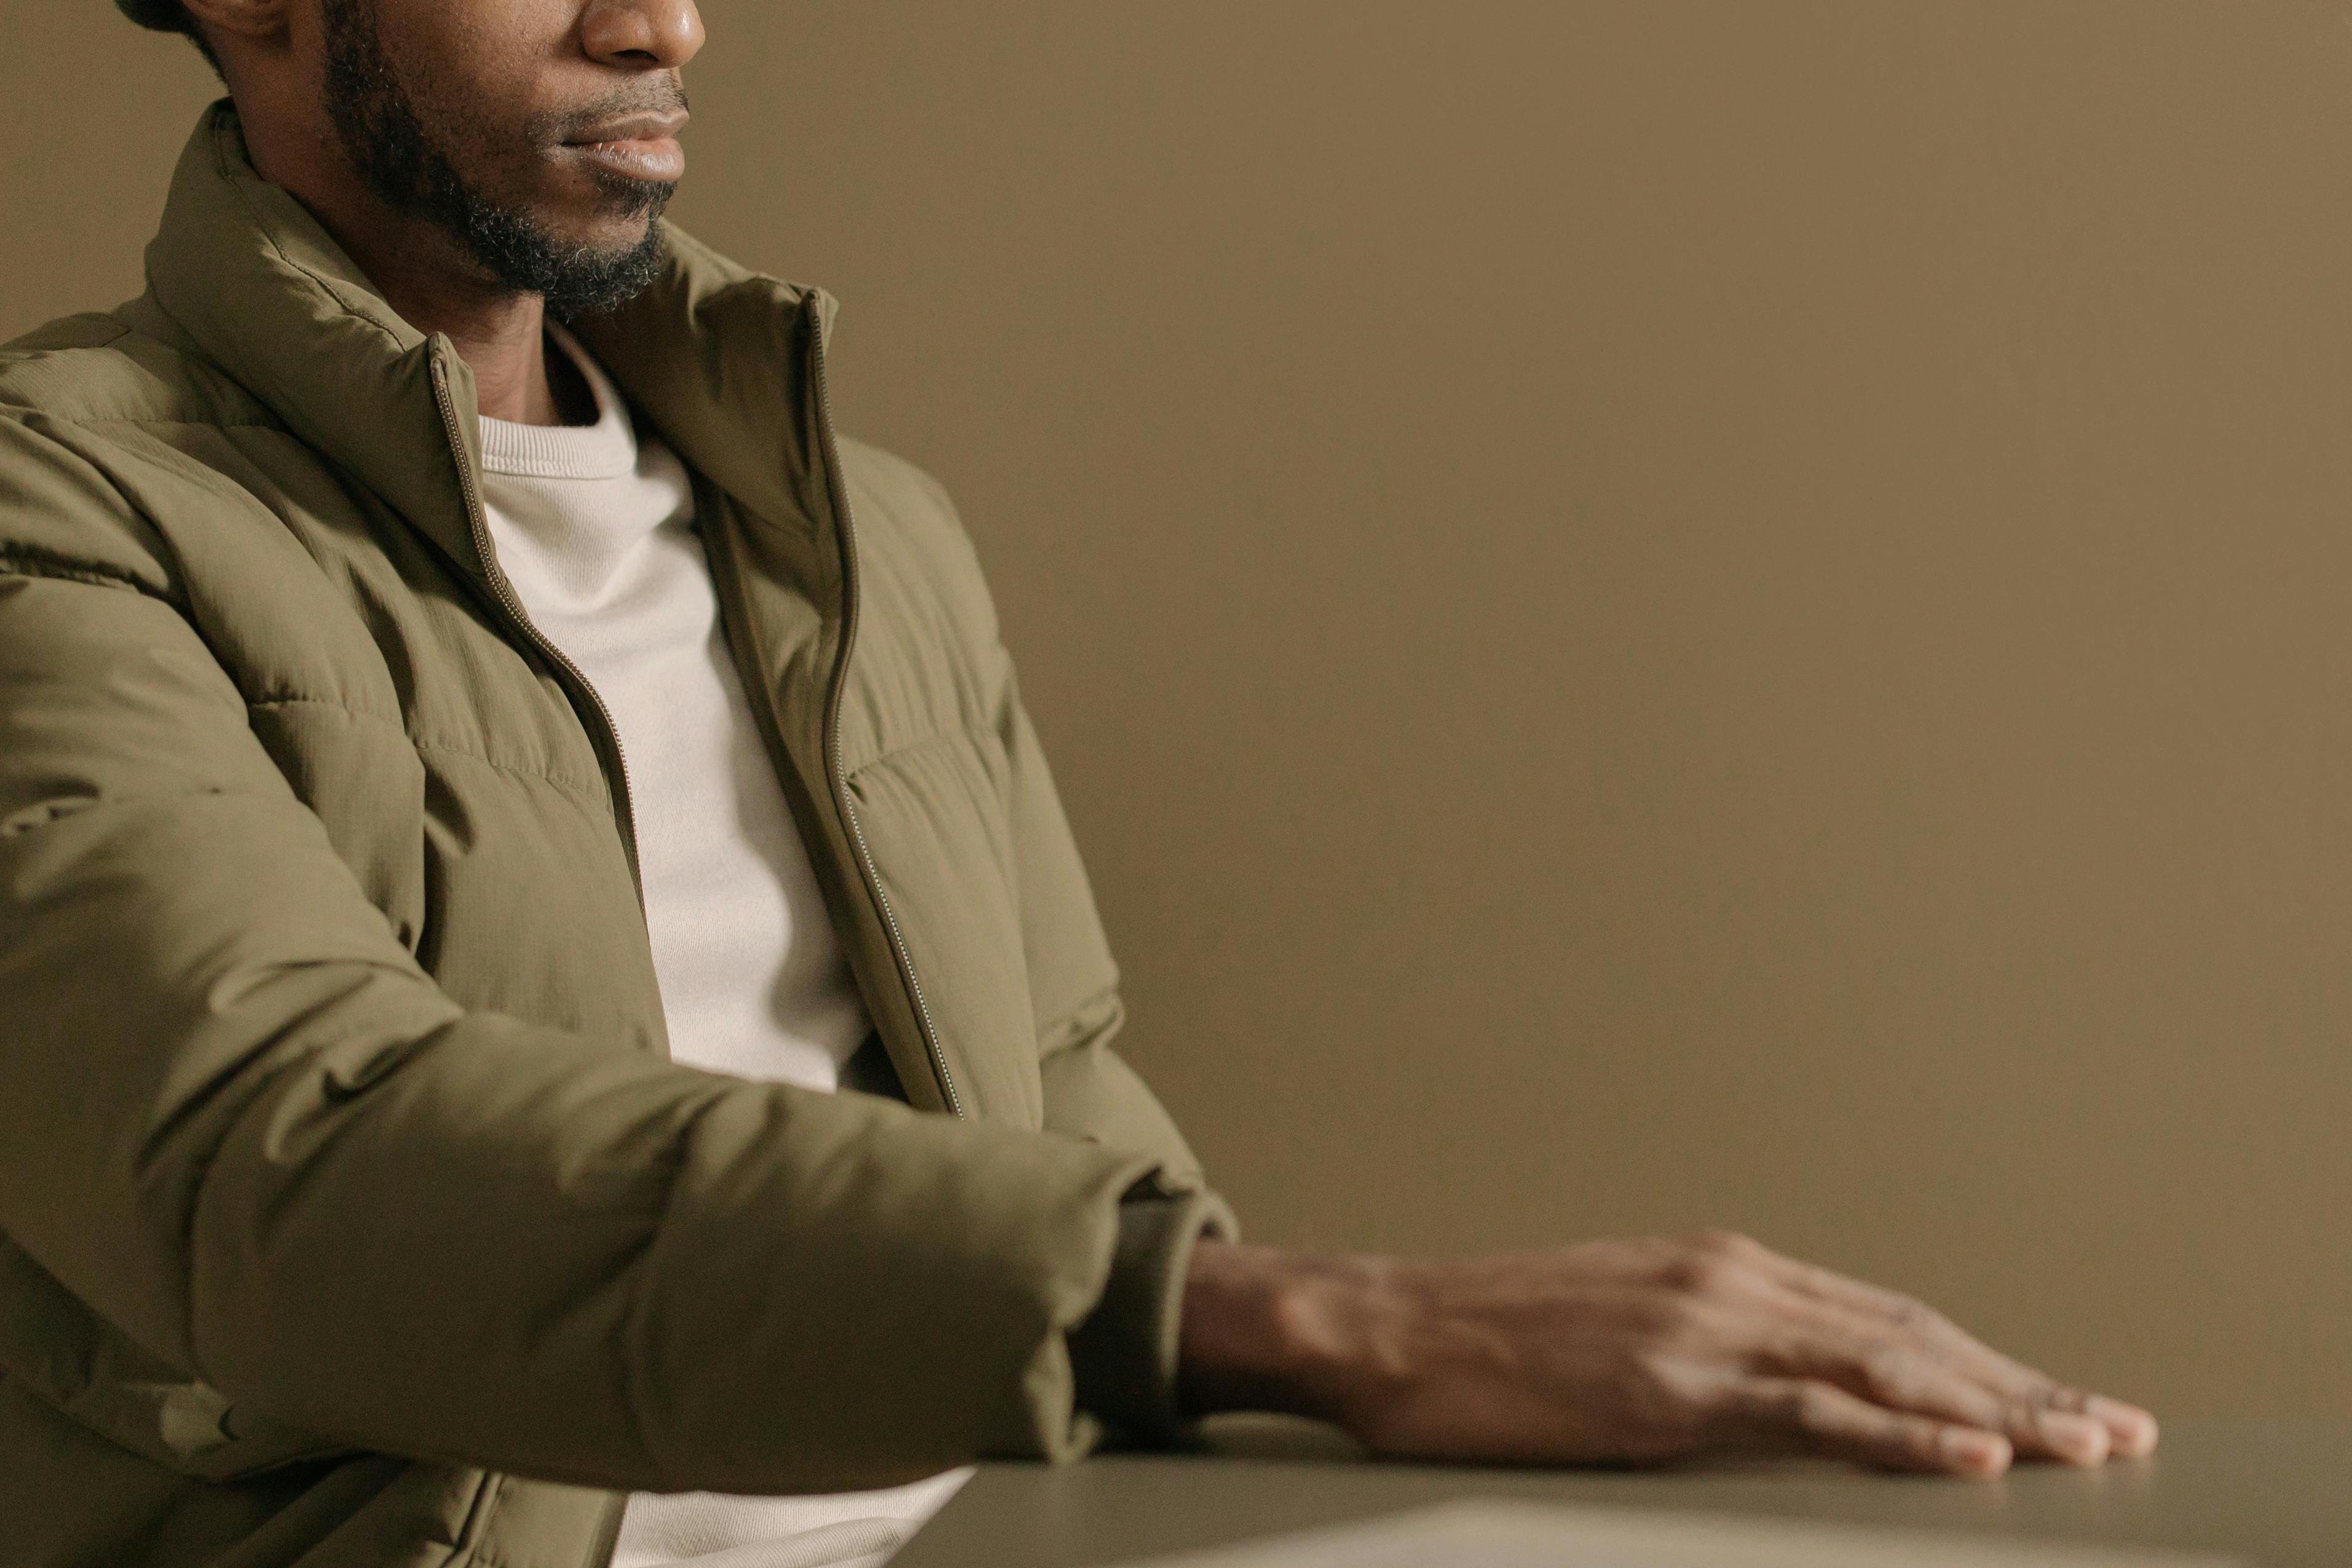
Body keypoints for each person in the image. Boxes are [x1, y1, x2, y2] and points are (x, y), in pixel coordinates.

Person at [0, 2, 2159, 1565]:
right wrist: (1312, 1323)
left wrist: (1425, 1436)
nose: (664, 24)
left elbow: (1058, 1095)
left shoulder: (865, 533)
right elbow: (283, 1160)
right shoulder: (62, 503)